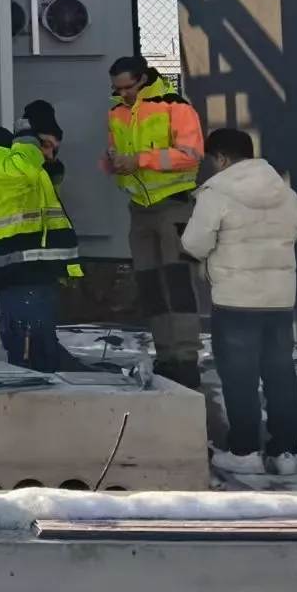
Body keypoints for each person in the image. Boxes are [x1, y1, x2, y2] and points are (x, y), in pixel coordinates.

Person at [181, 128, 297, 476]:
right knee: (281, 374)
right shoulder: (286, 192)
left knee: (240, 378)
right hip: (280, 299)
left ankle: (245, 451)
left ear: (221, 158)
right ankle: (285, 453)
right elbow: (295, 229)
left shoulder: (216, 193)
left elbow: (194, 244)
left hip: (235, 300)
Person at [102, 54, 206, 389]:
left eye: (127, 87)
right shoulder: (117, 111)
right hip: (139, 208)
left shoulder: (175, 106)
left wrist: (139, 160)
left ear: (143, 79)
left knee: (177, 285)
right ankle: (166, 356)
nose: (122, 94)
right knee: (151, 287)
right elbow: (117, 155)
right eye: (117, 88)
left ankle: (186, 359)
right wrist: (113, 163)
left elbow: (191, 155)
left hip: (174, 206)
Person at [0, 100, 84, 372]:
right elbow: (21, 173)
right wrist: (29, 140)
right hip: (16, 267)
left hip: (36, 270)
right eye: (46, 146)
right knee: (29, 346)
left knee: (38, 343)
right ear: (33, 139)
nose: (50, 155)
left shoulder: (32, 162)